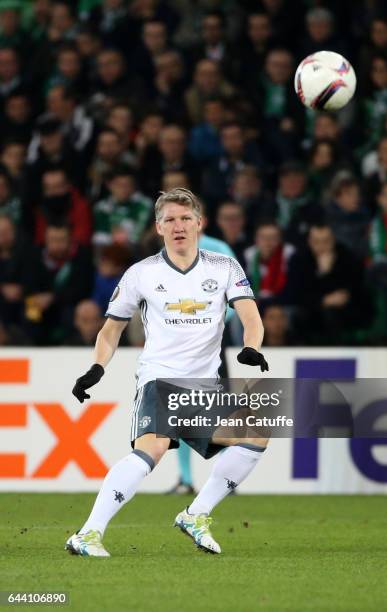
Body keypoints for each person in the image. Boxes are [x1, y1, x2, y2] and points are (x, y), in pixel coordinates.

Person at [66, 187, 269, 557]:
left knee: (255, 435)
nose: (179, 226)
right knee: (153, 450)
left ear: (199, 224)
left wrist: (251, 347)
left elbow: (250, 316)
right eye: (170, 220)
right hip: (160, 379)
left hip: (203, 385)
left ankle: (196, 514)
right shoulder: (141, 273)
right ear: (158, 228)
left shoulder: (223, 267)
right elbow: (111, 328)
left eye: (185, 218)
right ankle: (87, 534)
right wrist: (97, 367)